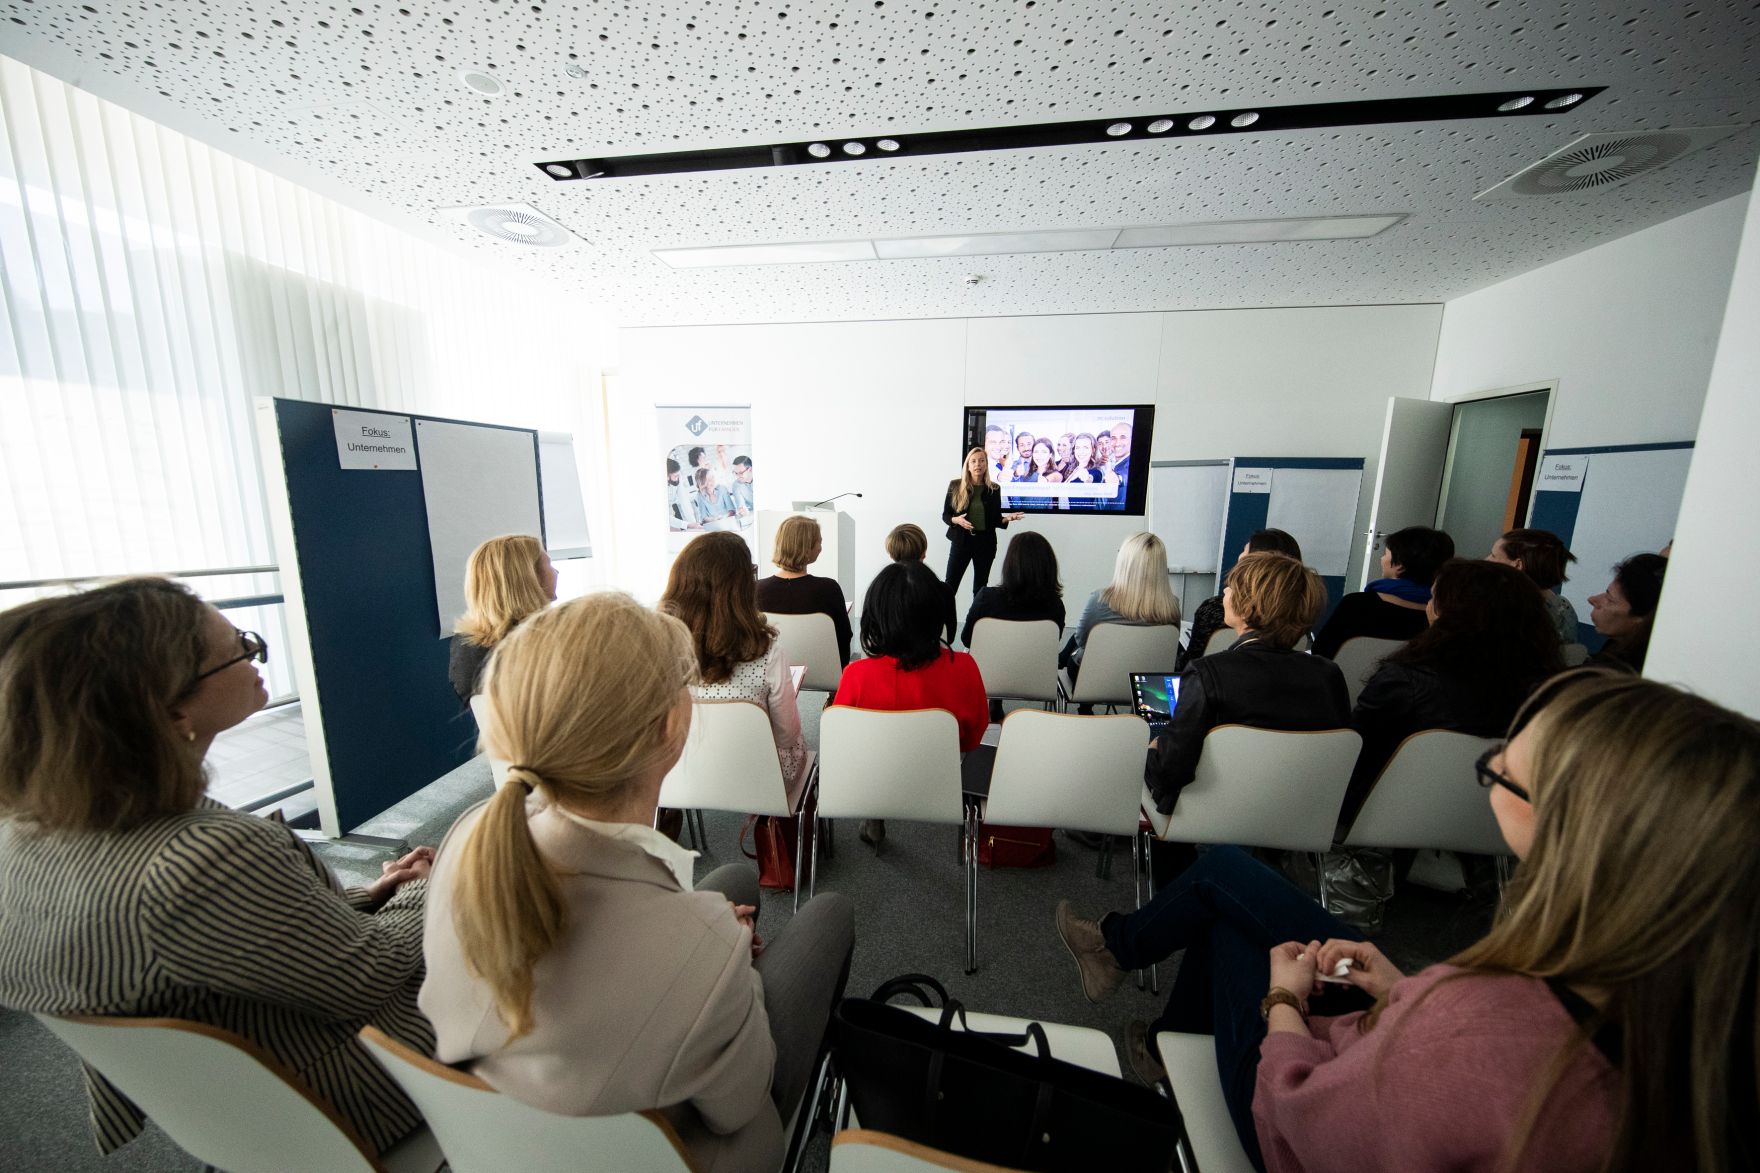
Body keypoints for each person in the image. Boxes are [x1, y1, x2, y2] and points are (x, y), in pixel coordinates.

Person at [1058, 668, 1759, 1173]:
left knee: (1230, 905)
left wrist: (1283, 1004)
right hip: (1401, 1032)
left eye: (1499, 771)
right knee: (1229, 876)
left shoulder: (1479, 1035)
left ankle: (1127, 965)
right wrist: (1402, 992)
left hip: (1291, 1114)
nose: (1493, 761)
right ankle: (1130, 971)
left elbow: (1303, 1121)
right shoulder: (1707, 1033)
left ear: (1571, 831)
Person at [0, 578, 436, 1157]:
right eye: (239, 649)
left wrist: (373, 894)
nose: (256, 657)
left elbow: (214, 941)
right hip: (358, 1094)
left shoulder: (28, 834)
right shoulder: (205, 856)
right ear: (172, 709)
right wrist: (428, 891)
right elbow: (369, 977)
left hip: (238, 1112)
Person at [420, 593, 855, 1173]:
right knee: (829, 914)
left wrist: (711, 943)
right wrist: (736, 969)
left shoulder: (467, 839)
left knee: (733, 877)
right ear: (671, 725)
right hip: (696, 1153)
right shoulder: (700, 949)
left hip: (508, 1140)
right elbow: (740, 1102)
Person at [1326, 559, 1564, 929]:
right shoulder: (1554, 692)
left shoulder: (1405, 679)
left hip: (1389, 816)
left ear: (1445, 613)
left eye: (1433, 599)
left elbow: (1356, 757)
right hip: (1500, 821)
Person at [1145, 552, 1347, 816]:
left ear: (1249, 607)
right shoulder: (1329, 675)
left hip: (1210, 818)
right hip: (1299, 817)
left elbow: (1170, 773)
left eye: (1232, 587)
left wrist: (1152, 752)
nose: (1225, 592)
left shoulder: (1207, 673)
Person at [834, 561, 989, 847]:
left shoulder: (855, 676)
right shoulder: (965, 668)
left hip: (872, 780)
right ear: (936, 613)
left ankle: (874, 813)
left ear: (875, 615)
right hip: (941, 781)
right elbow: (974, 737)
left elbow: (842, 744)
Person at [660, 532, 809, 808]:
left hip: (674, 775)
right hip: (762, 779)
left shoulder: (656, 649)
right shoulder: (767, 654)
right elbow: (787, 735)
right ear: (742, 589)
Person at [1312, 526, 1455, 659]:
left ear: (1399, 565)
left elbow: (1320, 651)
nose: (1382, 559)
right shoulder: (1447, 617)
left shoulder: (1356, 605)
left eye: (1385, 554)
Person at [450, 533, 558, 704]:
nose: (556, 572)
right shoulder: (545, 644)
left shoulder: (465, 646)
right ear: (530, 578)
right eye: (550, 565)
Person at [1063, 531, 1181, 685]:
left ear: (1125, 563)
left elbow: (1080, 639)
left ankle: (1061, 667)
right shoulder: (1172, 606)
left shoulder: (1099, 600)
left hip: (1095, 680)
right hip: (1147, 682)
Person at [1179, 529, 1303, 670]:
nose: (1240, 557)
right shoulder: (1298, 621)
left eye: (1245, 551)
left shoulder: (1215, 610)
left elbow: (1187, 666)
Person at [757, 514, 853, 666]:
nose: (821, 548)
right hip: (825, 672)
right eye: (819, 542)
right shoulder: (829, 589)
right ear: (807, 548)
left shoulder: (755, 590)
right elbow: (844, 637)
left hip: (770, 670)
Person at [960, 530, 1066, 648]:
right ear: (1049, 565)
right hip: (1034, 660)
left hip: (990, 660)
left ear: (1010, 564)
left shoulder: (986, 598)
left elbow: (967, 640)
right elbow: (1052, 643)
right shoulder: (1056, 606)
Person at [942, 447, 1025, 597]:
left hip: (985, 544)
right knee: (950, 586)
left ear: (986, 465)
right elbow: (946, 515)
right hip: (961, 541)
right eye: (973, 461)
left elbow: (995, 520)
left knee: (980, 588)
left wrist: (1007, 518)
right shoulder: (955, 486)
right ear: (968, 465)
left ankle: (976, 614)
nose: (977, 464)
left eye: (981, 461)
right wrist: (956, 520)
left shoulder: (994, 489)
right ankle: (946, 614)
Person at [1488, 528, 1580, 644]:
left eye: (1493, 555)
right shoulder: (1564, 607)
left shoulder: (1505, 611)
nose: (1486, 560)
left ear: (1517, 565)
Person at [1587, 552, 1668, 673]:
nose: (1592, 599)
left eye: (1610, 599)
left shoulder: (1618, 675)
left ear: (1643, 617)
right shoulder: (1615, 648)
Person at [885, 522, 957, 646]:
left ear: (891, 555)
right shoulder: (944, 591)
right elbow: (949, 637)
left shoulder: (880, 591)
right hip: (932, 655)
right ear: (923, 553)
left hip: (889, 656)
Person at [667, 458, 701, 531]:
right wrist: (687, 525)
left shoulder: (677, 479)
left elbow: (684, 500)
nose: (678, 478)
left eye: (678, 475)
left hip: (671, 516)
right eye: (675, 476)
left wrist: (694, 524)